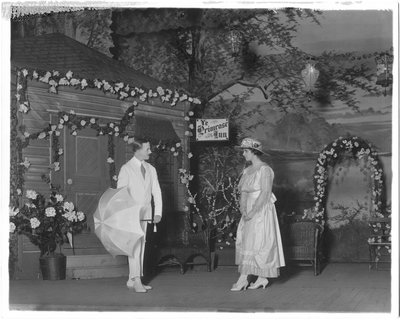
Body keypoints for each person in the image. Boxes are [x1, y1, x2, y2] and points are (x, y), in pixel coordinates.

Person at [231, 137, 285, 291]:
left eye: (246, 151)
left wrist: (253, 211)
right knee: (248, 242)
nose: (243, 154)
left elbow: (265, 193)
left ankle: (248, 278)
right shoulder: (247, 171)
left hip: (261, 210)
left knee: (260, 242)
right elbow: (243, 193)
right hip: (248, 210)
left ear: (254, 153)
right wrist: (243, 210)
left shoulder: (265, 170)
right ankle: (258, 278)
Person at [117, 137, 162, 293]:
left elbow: (156, 191)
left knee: (142, 246)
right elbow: (121, 194)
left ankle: (132, 278)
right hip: (131, 214)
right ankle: (137, 280)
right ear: (137, 150)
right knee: (135, 246)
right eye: (147, 149)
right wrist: (127, 213)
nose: (150, 151)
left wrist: (158, 212)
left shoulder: (151, 169)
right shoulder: (126, 169)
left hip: (147, 213)